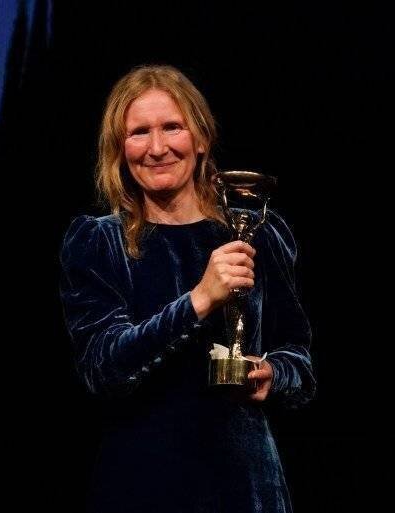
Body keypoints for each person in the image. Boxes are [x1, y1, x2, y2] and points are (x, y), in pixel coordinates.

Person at [60, 64, 315, 513]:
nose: (156, 148)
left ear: (200, 139)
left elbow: (299, 358)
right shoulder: (98, 241)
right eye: (139, 132)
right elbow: (102, 368)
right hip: (143, 483)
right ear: (119, 150)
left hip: (246, 486)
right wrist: (199, 300)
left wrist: (271, 373)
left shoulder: (258, 231)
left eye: (172, 127)